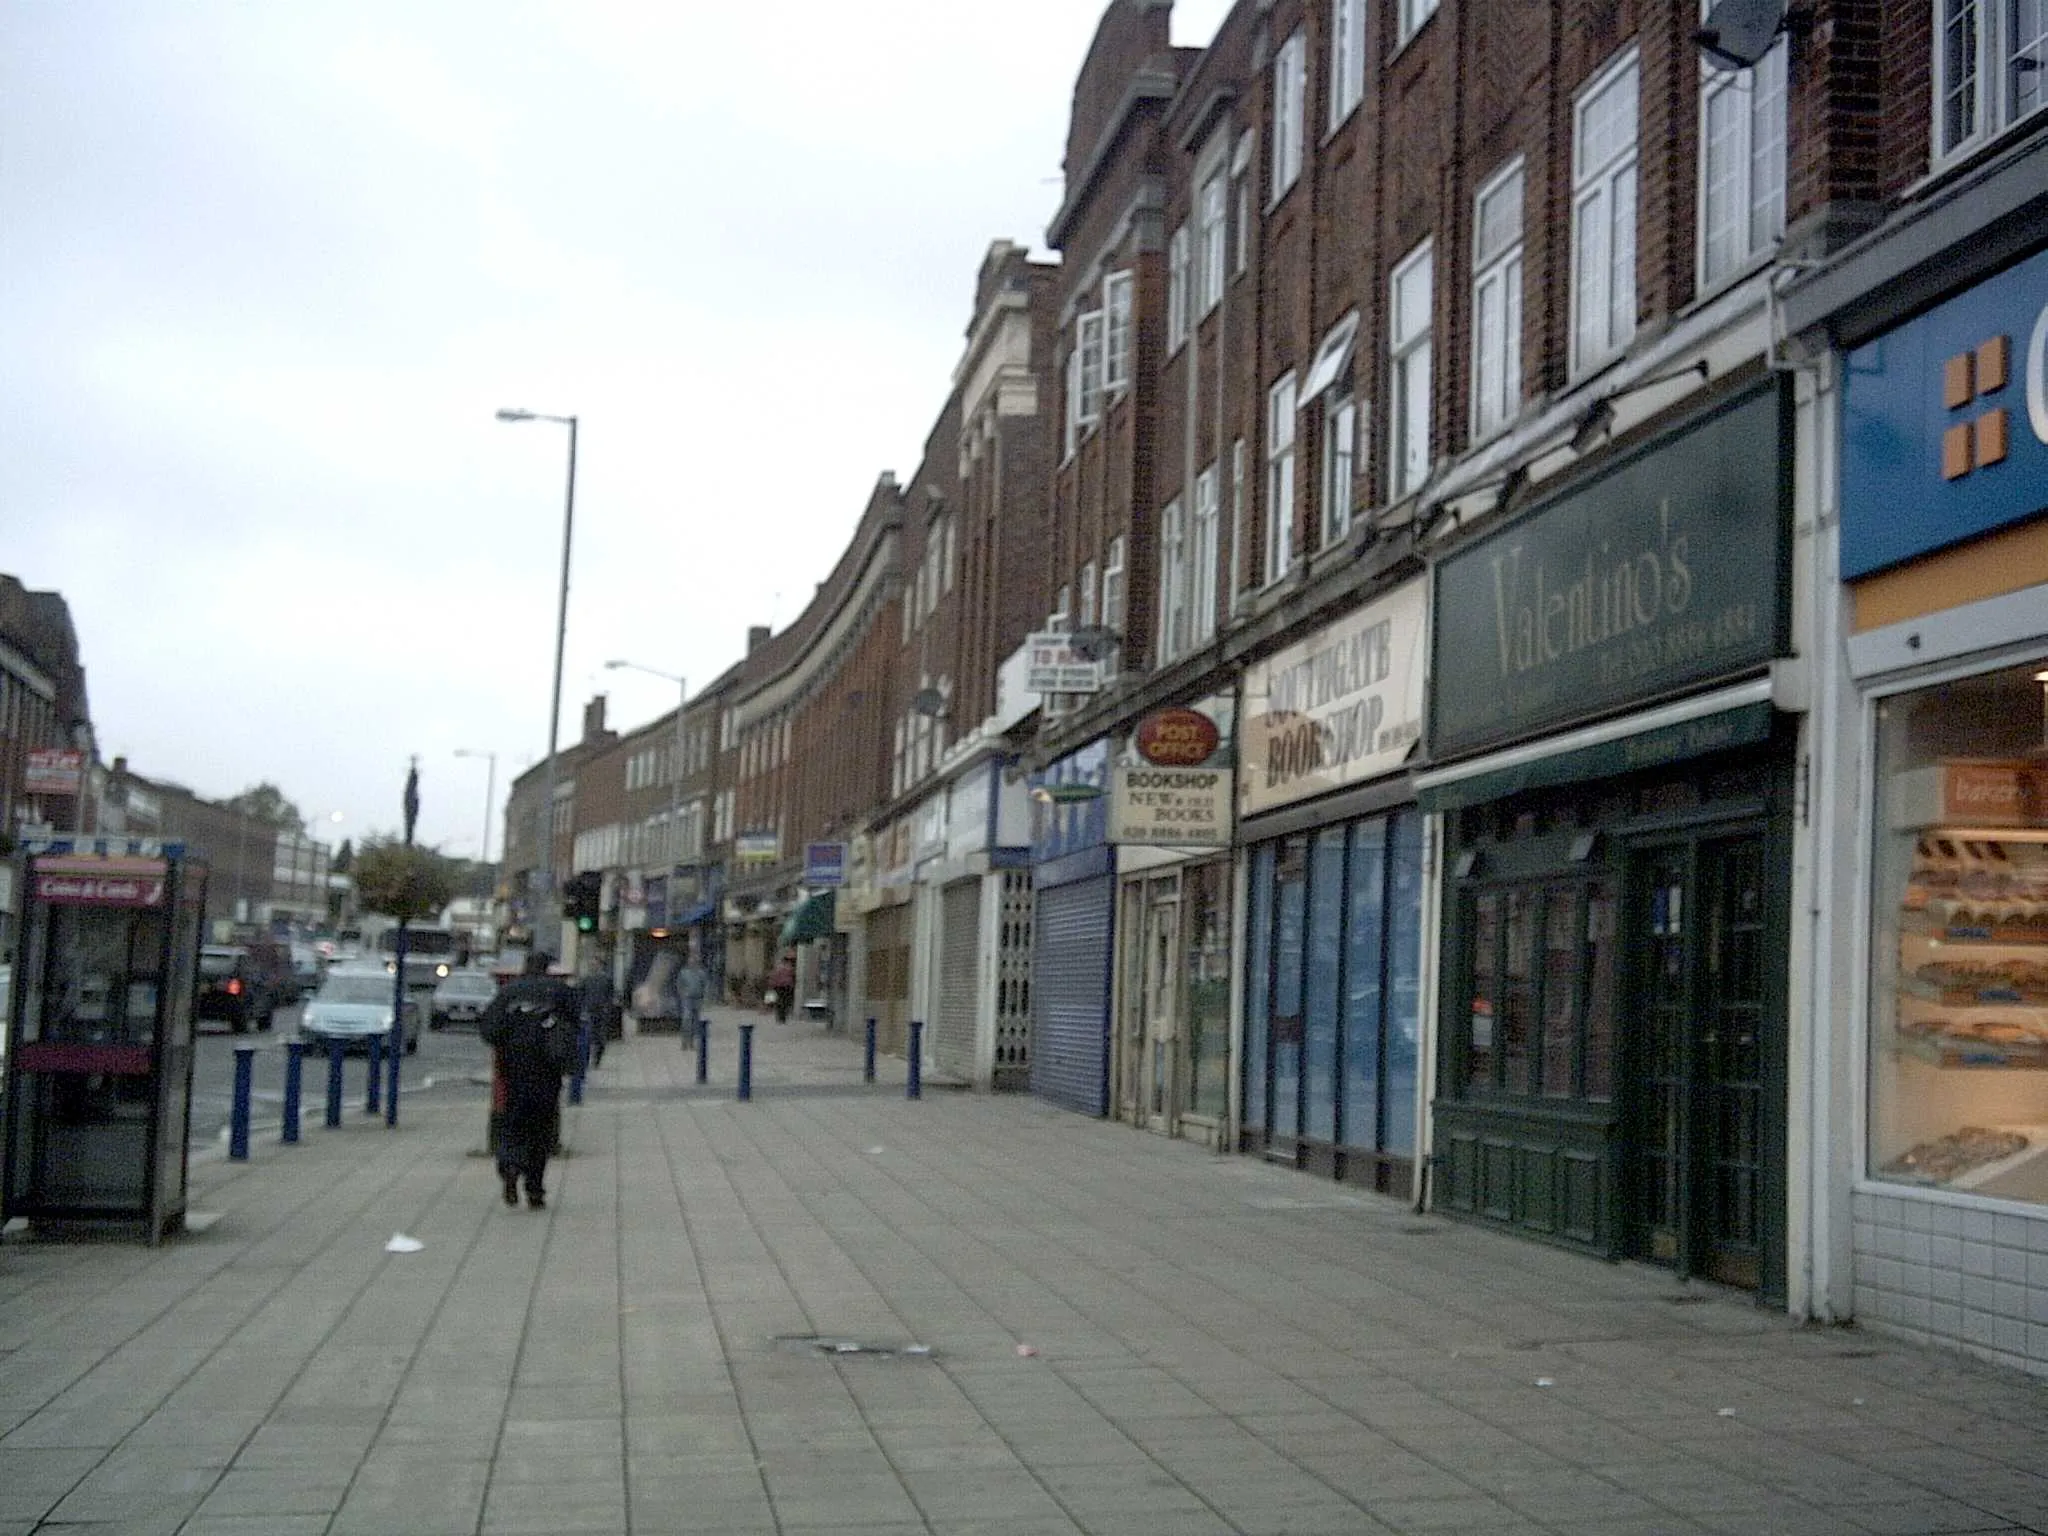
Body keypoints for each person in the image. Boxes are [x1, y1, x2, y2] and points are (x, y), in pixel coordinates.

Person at [478, 952, 578, 1210]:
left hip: (514, 1072)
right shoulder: (559, 992)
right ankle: (535, 1190)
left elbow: (489, 1030)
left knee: (512, 1127)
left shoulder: (509, 993)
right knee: (541, 1132)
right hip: (547, 1073)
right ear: (548, 969)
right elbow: (574, 1027)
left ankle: (510, 1166)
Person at [577, 962, 616, 1069]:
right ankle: (593, 1059)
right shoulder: (590, 979)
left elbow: (580, 994)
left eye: (595, 965)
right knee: (594, 1036)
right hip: (597, 1010)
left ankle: (593, 1059)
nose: (593, 967)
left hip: (595, 1010)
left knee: (595, 1036)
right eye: (592, 965)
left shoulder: (588, 979)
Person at [673, 935, 709, 1044]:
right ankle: (685, 1040)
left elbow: (705, 984)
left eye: (694, 961)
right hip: (687, 998)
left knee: (696, 1020)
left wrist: (704, 995)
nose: (692, 962)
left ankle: (692, 1040)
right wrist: (682, 993)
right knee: (687, 1019)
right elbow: (679, 984)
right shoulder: (684, 972)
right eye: (691, 961)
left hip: (698, 998)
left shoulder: (701, 972)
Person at [768, 950, 796, 1024]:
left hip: (779, 987)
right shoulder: (789, 968)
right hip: (785, 987)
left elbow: (774, 976)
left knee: (780, 1002)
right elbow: (792, 977)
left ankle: (780, 1017)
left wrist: (772, 985)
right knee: (784, 1002)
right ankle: (782, 1017)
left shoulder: (779, 967)